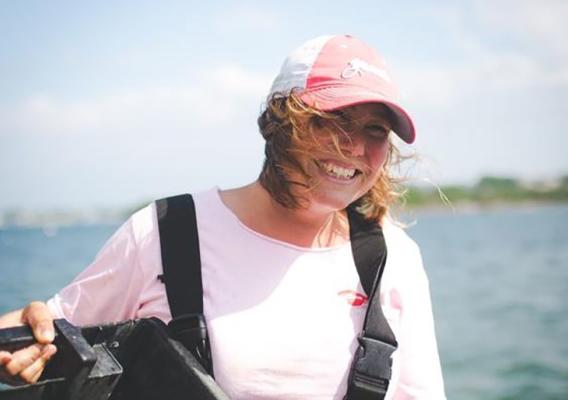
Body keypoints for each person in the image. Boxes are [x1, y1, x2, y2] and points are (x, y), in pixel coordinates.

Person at [0, 34, 446, 399]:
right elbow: (38, 335)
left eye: (375, 130)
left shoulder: (395, 259)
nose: (352, 146)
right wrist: (27, 344)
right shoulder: (164, 232)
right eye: (332, 120)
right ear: (279, 121)